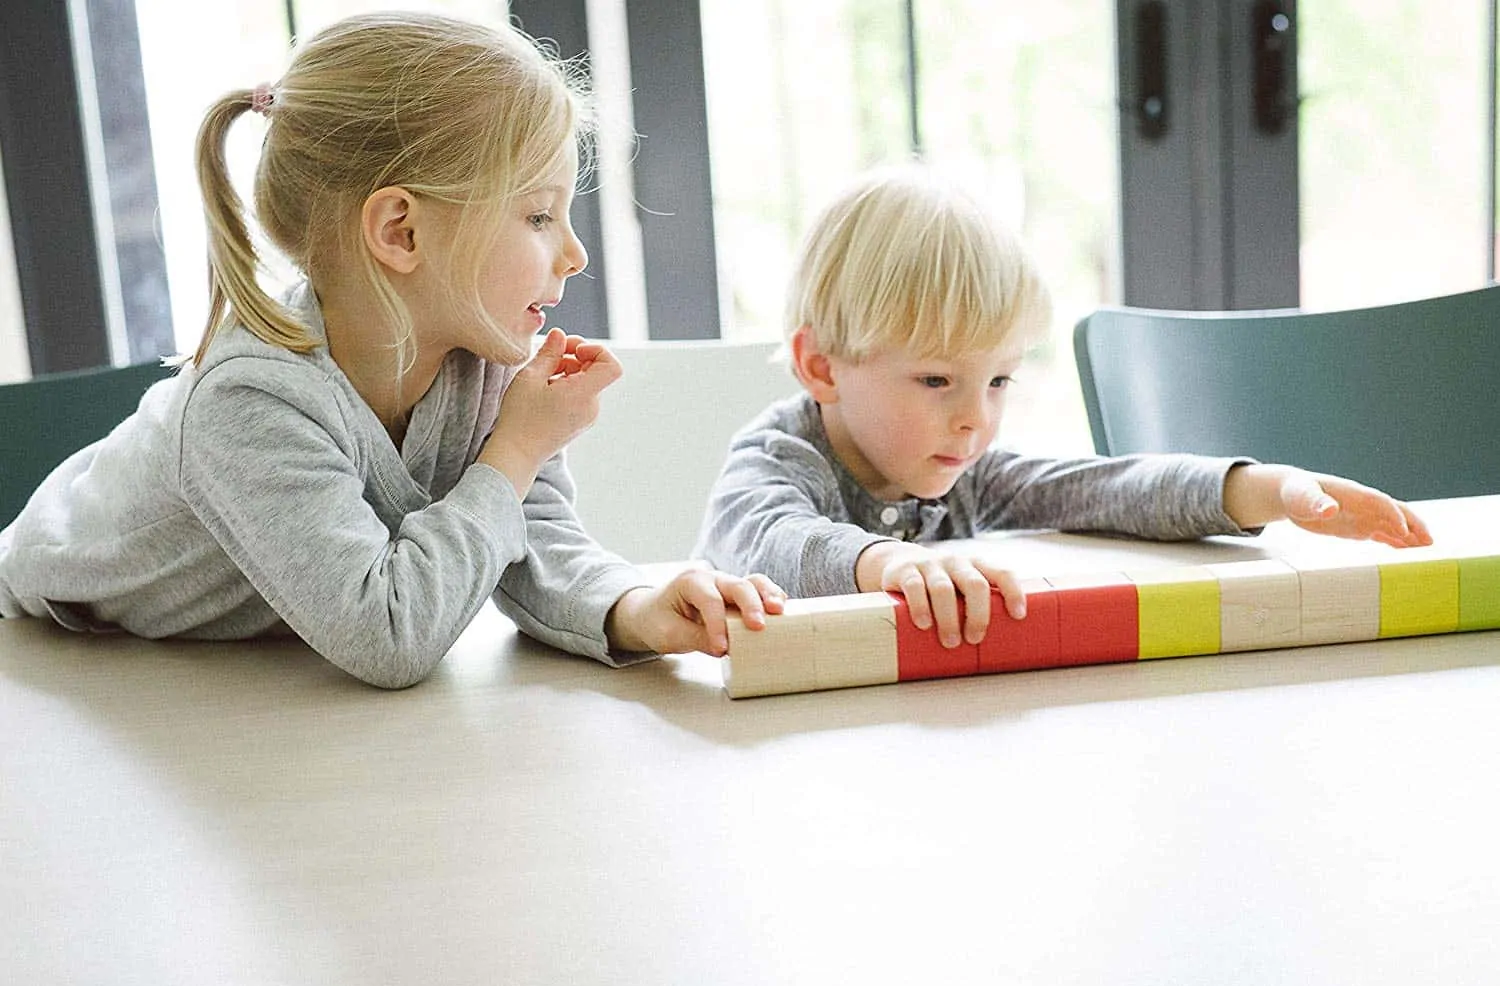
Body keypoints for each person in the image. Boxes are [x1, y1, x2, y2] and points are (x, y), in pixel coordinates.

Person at [0, 12, 782, 688]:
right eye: (539, 217)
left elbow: (526, 537)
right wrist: (515, 449)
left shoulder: (481, 356)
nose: (575, 255)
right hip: (51, 658)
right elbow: (387, 633)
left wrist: (633, 608)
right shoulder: (249, 400)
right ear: (401, 231)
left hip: (231, 675)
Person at [694, 165, 1430, 651]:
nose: (975, 420)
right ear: (822, 367)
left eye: (998, 381)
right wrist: (887, 561)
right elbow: (772, 545)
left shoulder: (962, 469)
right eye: (937, 380)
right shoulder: (775, 461)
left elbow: (1103, 489)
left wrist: (1266, 489)